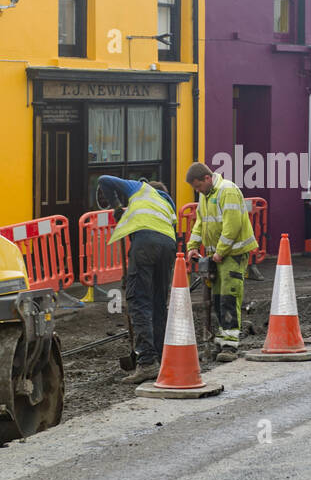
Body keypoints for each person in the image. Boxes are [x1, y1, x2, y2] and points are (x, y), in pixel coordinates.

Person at [96, 175, 177, 381]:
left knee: (139, 301)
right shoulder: (167, 201)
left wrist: (116, 208)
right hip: (168, 245)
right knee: (159, 303)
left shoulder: (139, 188)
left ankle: (147, 362)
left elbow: (104, 179)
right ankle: (161, 357)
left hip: (146, 244)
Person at [185, 162, 258, 362]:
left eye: (198, 186)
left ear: (207, 179)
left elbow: (232, 226)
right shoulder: (205, 195)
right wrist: (192, 245)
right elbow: (201, 222)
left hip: (233, 254)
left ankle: (230, 345)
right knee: (217, 299)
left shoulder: (227, 191)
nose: (197, 190)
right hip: (217, 256)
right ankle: (221, 339)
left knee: (228, 296)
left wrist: (220, 251)